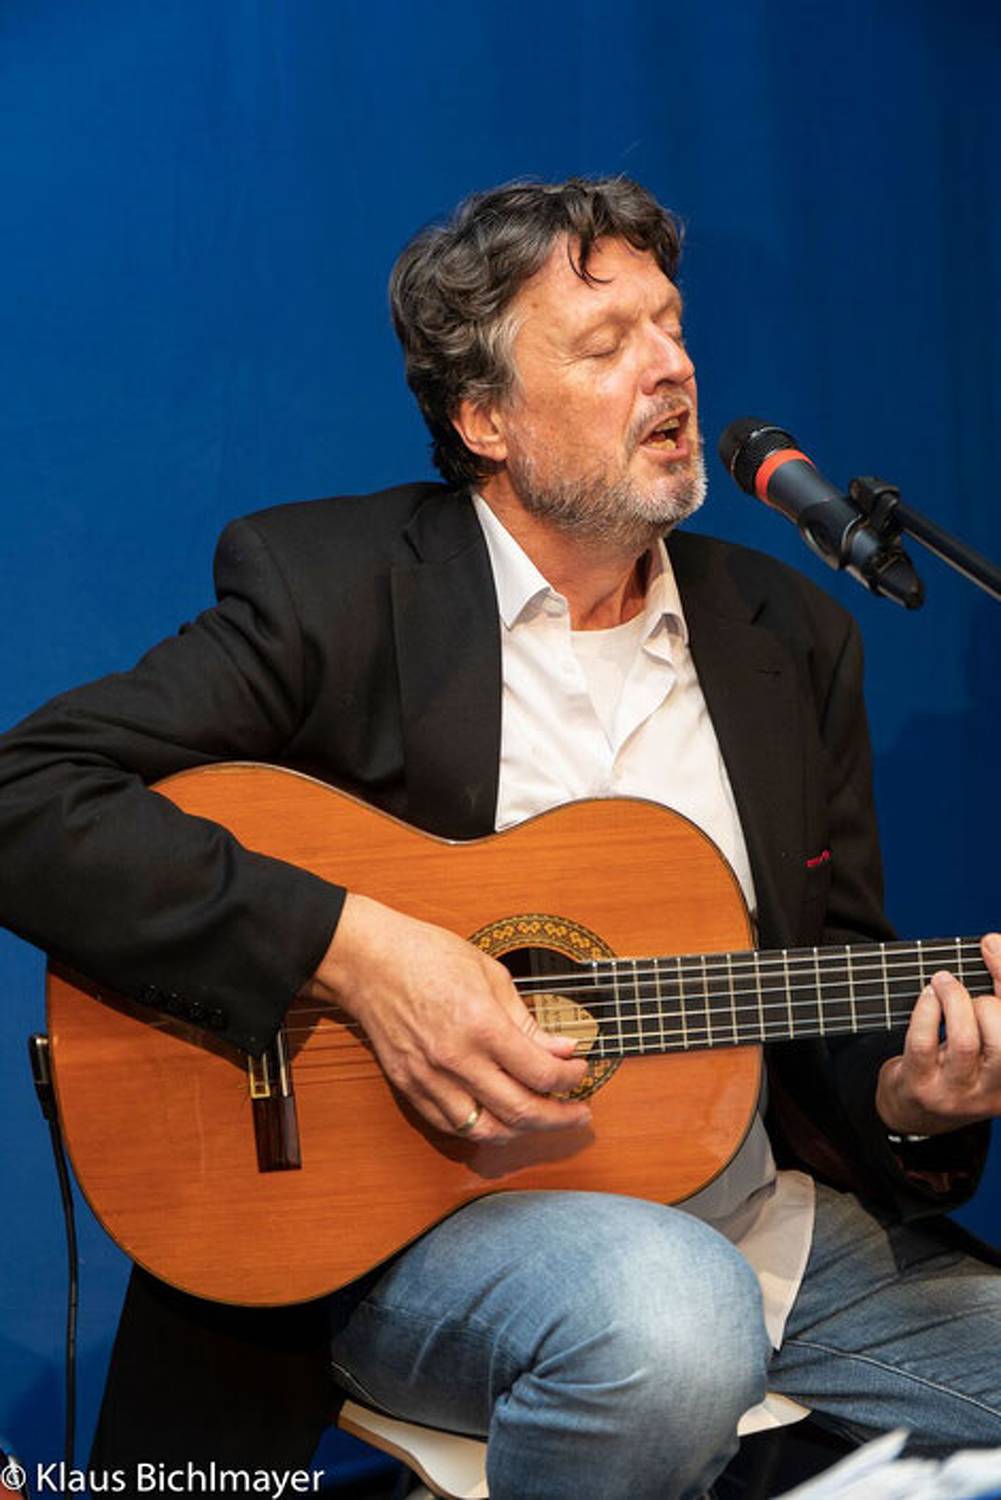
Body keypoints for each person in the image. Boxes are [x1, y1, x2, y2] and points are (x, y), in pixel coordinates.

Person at [1, 177, 1000, 1500]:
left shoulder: (790, 636)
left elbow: (833, 982)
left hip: (755, 1224)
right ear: (486, 420)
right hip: (408, 1238)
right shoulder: (336, 592)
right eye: (605, 344)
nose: (671, 368)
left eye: (671, 325)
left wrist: (908, 1098)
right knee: (670, 1321)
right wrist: (360, 955)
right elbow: (28, 797)